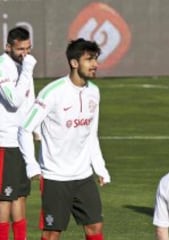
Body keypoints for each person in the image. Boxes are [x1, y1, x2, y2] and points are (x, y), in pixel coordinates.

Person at [18, 38, 111, 240]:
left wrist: (100, 167)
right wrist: (31, 165)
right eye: (89, 59)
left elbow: (91, 134)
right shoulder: (52, 92)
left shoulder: (94, 92)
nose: (95, 64)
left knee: (95, 226)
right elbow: (25, 129)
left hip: (83, 176)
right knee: (52, 233)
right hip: (55, 177)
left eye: (95, 59)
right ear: (74, 63)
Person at [0, 26, 37, 240]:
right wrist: (28, 70)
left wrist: (36, 129)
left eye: (28, 48)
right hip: (6, 141)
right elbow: (13, 101)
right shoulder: (3, 66)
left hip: (24, 141)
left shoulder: (23, 65)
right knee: (5, 198)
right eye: (20, 49)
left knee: (21, 196)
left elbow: (29, 101)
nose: (25, 53)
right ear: (8, 47)